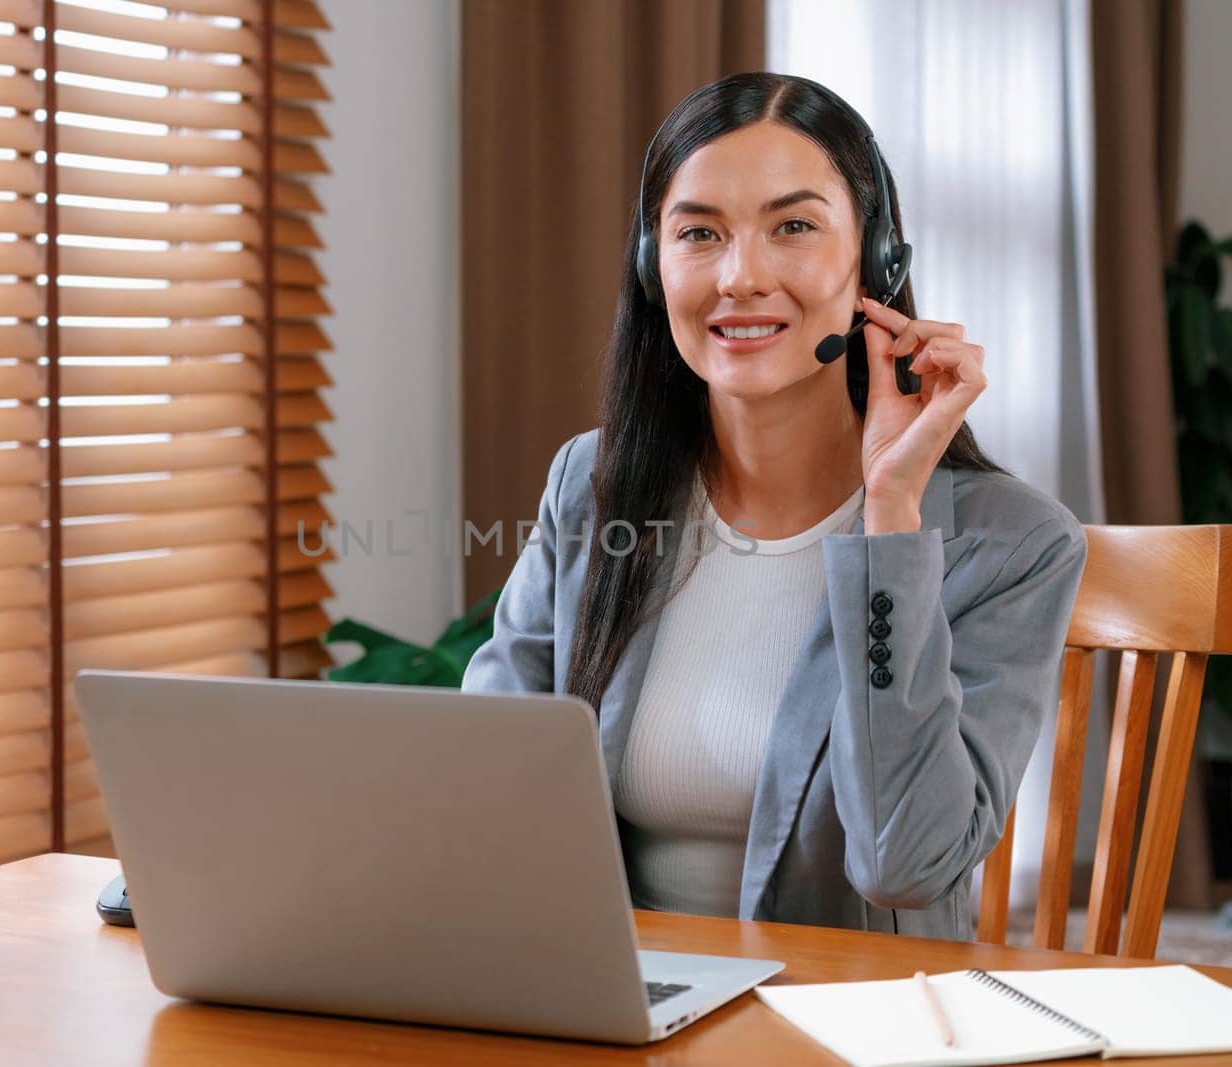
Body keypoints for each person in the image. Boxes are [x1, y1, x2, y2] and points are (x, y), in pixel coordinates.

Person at [461, 73, 1086, 941]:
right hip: (618, 1005)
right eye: (698, 234)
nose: (741, 275)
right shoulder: (593, 487)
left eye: (793, 226)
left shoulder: (1010, 543)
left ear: (878, 262)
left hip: (849, 1022)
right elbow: (480, 782)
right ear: (653, 266)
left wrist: (891, 515)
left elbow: (904, 863)